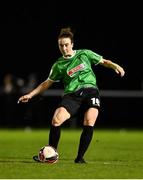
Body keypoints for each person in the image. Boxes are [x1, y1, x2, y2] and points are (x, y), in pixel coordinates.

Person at [18, 27, 125, 163]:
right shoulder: (58, 65)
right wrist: (31, 94)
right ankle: (51, 155)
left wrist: (116, 66)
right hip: (72, 95)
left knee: (89, 120)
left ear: (72, 44)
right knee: (56, 119)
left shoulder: (84, 54)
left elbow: (104, 62)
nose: (64, 48)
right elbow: (46, 83)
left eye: (66, 45)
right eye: (61, 45)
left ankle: (80, 158)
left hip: (91, 91)